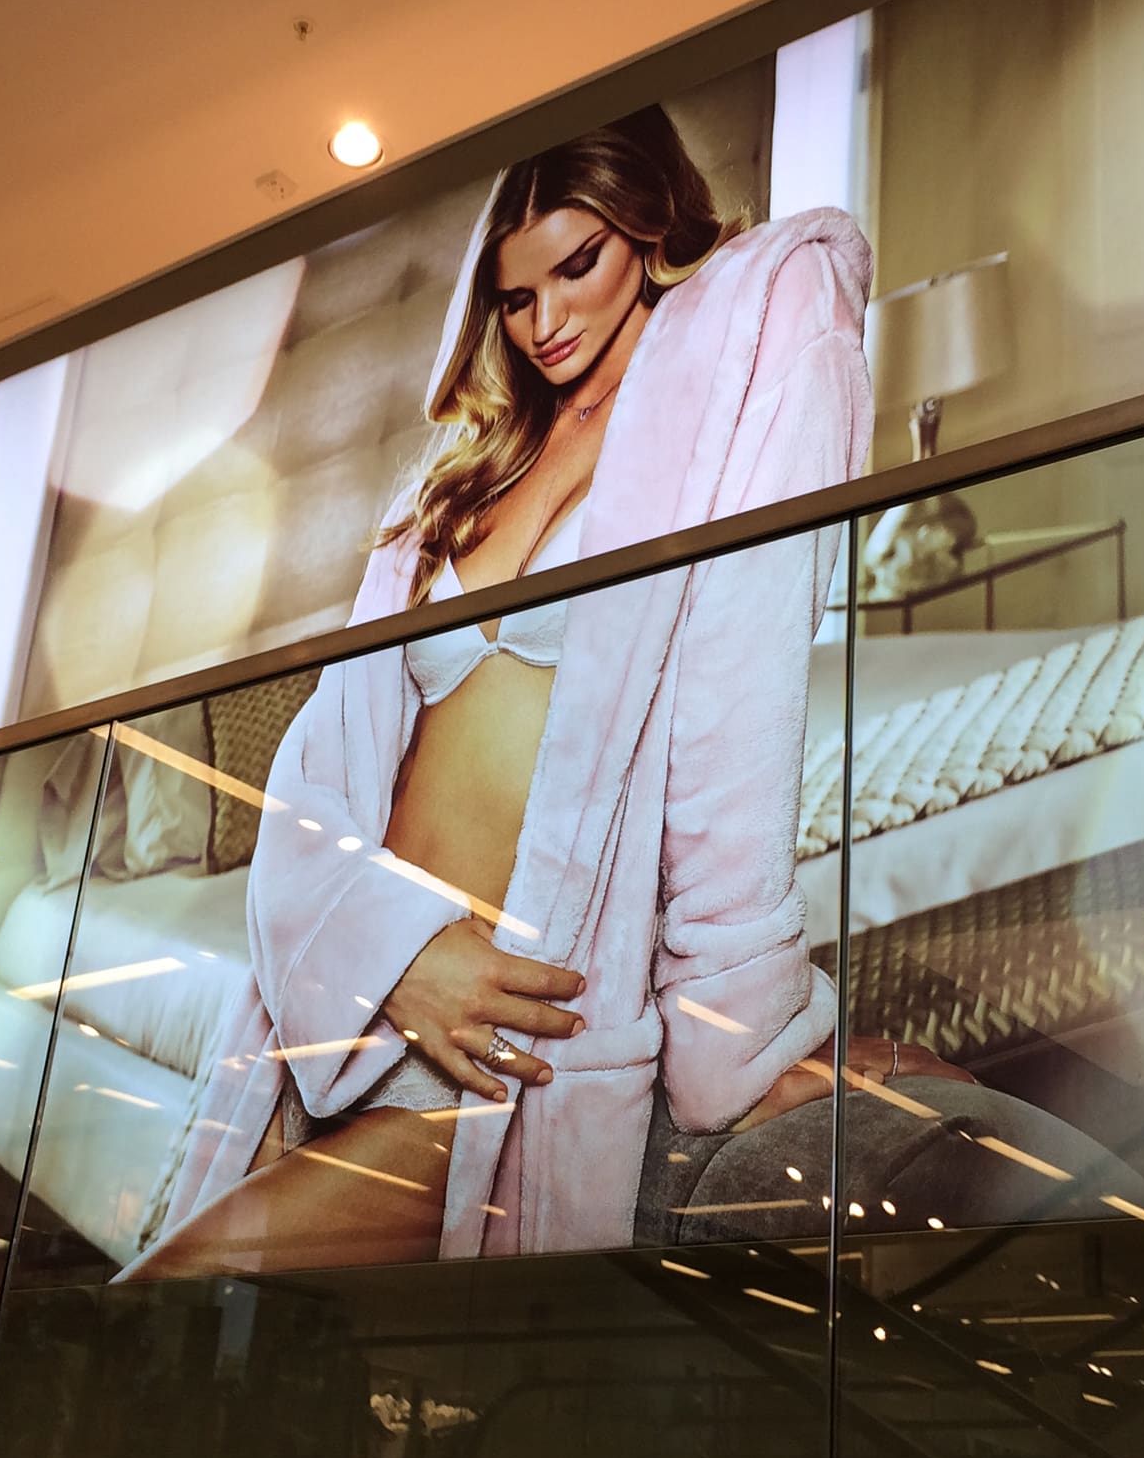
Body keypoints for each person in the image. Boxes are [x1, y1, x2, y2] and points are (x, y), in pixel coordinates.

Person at [123, 107, 964, 1280]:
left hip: (492, 1048)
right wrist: (394, 949)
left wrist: (744, 1035)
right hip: (352, 1003)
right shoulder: (471, 466)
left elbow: (737, 716)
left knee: (171, 1293)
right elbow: (325, 761)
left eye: (579, 265)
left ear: (654, 224)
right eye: (516, 297)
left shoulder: (721, 385)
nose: (549, 321)